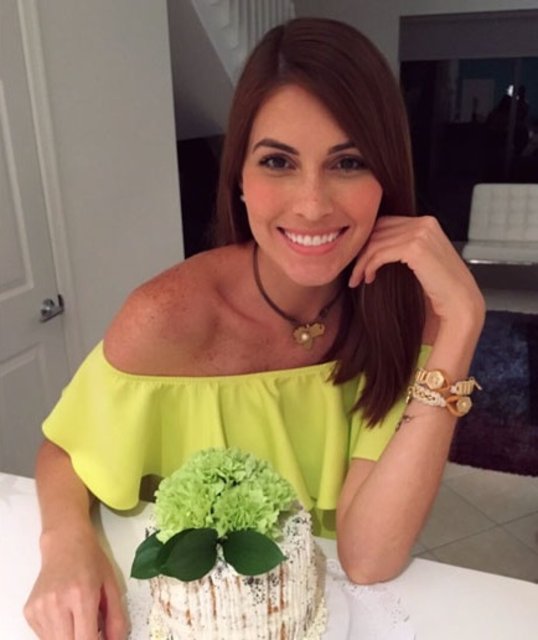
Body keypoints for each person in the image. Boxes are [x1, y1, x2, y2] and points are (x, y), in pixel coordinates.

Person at [24, 17, 485, 640]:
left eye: (348, 162)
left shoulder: (402, 307)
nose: (313, 204)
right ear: (239, 178)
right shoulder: (167, 316)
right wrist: (65, 543)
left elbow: (369, 558)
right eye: (278, 161)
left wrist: (463, 322)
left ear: (386, 179)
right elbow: (66, 447)